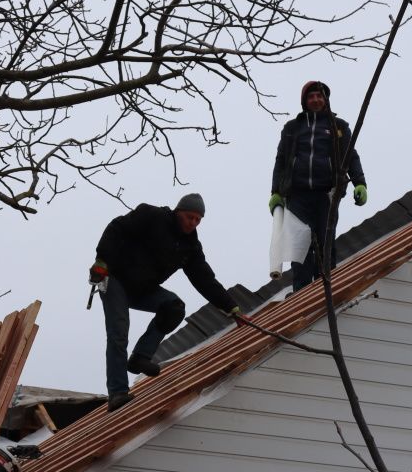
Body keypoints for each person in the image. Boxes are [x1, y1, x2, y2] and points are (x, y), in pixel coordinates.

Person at [90, 193, 240, 412]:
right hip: (113, 278)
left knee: (173, 307)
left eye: (198, 220)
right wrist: (102, 260)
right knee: (119, 331)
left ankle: (140, 357)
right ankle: (118, 393)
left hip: (142, 289)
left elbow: (205, 279)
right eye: (190, 217)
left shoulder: (190, 247)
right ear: (179, 212)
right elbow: (117, 228)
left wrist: (232, 308)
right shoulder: (152, 215)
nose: (193, 223)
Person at [270, 81, 368, 291]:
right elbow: (281, 160)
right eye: (311, 96)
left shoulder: (338, 127)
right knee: (299, 246)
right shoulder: (292, 128)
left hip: (327, 194)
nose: (315, 100)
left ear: (326, 100)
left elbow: (350, 156)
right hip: (297, 195)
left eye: (319, 96)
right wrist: (275, 192)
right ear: (305, 101)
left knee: (326, 242)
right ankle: (301, 292)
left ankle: (326, 289)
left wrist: (360, 183)